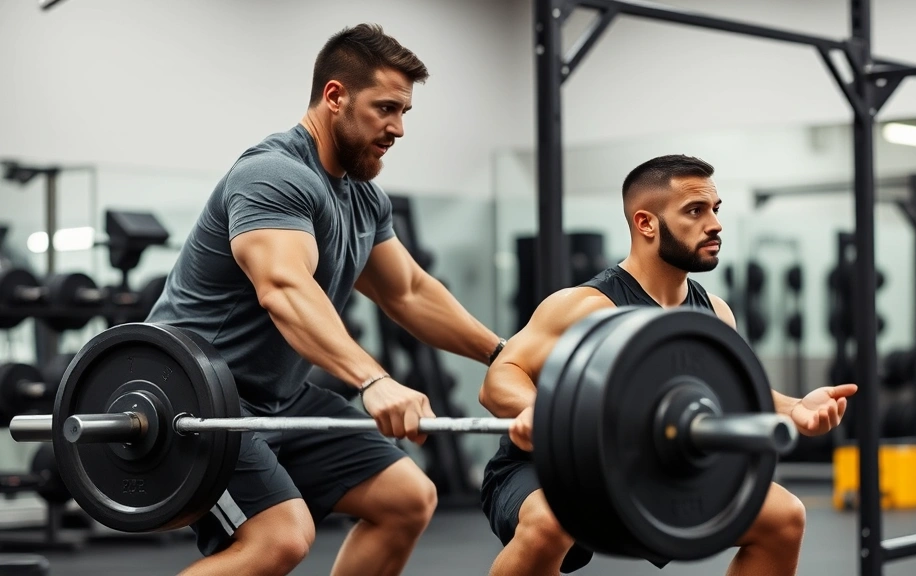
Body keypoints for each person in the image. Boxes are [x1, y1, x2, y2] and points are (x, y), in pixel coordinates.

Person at [147, 24, 505, 576]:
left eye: (405, 111)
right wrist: (373, 379)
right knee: (279, 539)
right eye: (385, 108)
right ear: (334, 96)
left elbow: (407, 291)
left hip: (279, 399)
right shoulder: (274, 175)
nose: (399, 128)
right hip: (197, 397)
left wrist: (501, 354)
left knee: (406, 498)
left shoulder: (362, 197)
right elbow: (284, 288)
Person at [478, 154, 859, 576]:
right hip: (551, 467)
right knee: (551, 521)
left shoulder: (714, 313)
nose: (714, 224)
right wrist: (534, 410)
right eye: (695, 211)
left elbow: (724, 390)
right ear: (646, 223)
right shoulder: (586, 305)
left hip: (645, 467)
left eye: (715, 210)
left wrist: (795, 408)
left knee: (784, 516)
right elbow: (500, 377)